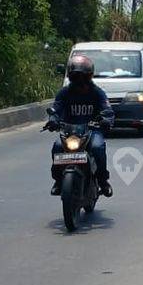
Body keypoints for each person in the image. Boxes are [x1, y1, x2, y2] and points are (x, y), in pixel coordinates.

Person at [46, 55, 115, 197]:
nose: (80, 81)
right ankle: (59, 180)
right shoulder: (64, 93)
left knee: (97, 148)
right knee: (58, 147)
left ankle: (103, 181)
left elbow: (107, 109)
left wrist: (106, 120)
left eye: (83, 77)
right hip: (69, 132)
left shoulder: (97, 92)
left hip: (92, 130)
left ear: (89, 76)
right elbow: (56, 109)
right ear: (71, 76)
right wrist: (53, 119)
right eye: (76, 77)